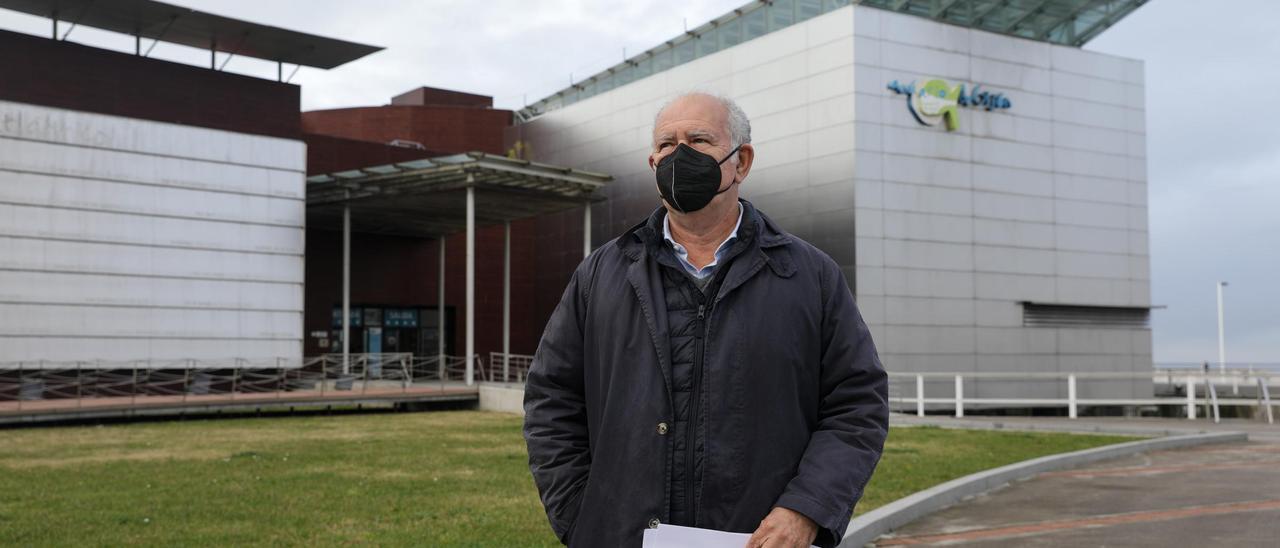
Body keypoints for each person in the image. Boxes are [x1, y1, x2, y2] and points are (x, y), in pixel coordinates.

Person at [523, 91, 888, 548]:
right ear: (652, 160)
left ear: (742, 161)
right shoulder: (602, 274)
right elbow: (551, 399)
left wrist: (806, 510)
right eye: (666, 144)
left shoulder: (809, 276)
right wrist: (580, 514)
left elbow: (856, 405)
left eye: (698, 140)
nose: (679, 155)